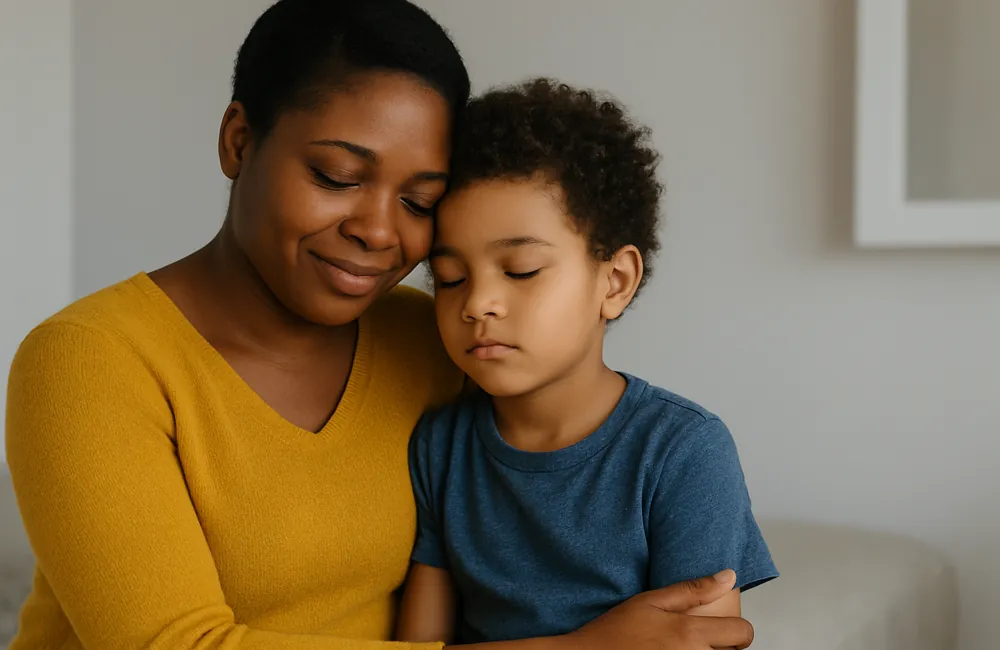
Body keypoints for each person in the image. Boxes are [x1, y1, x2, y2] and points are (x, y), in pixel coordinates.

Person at [5, 2, 756, 649]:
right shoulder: (87, 361)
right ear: (239, 140)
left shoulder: (436, 341)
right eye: (337, 176)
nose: (377, 230)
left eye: (419, 202)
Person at [395, 79, 779, 646]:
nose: (477, 304)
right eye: (450, 278)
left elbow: (704, 638)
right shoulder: (441, 447)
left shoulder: (682, 450)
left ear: (615, 281)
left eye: (521, 270)